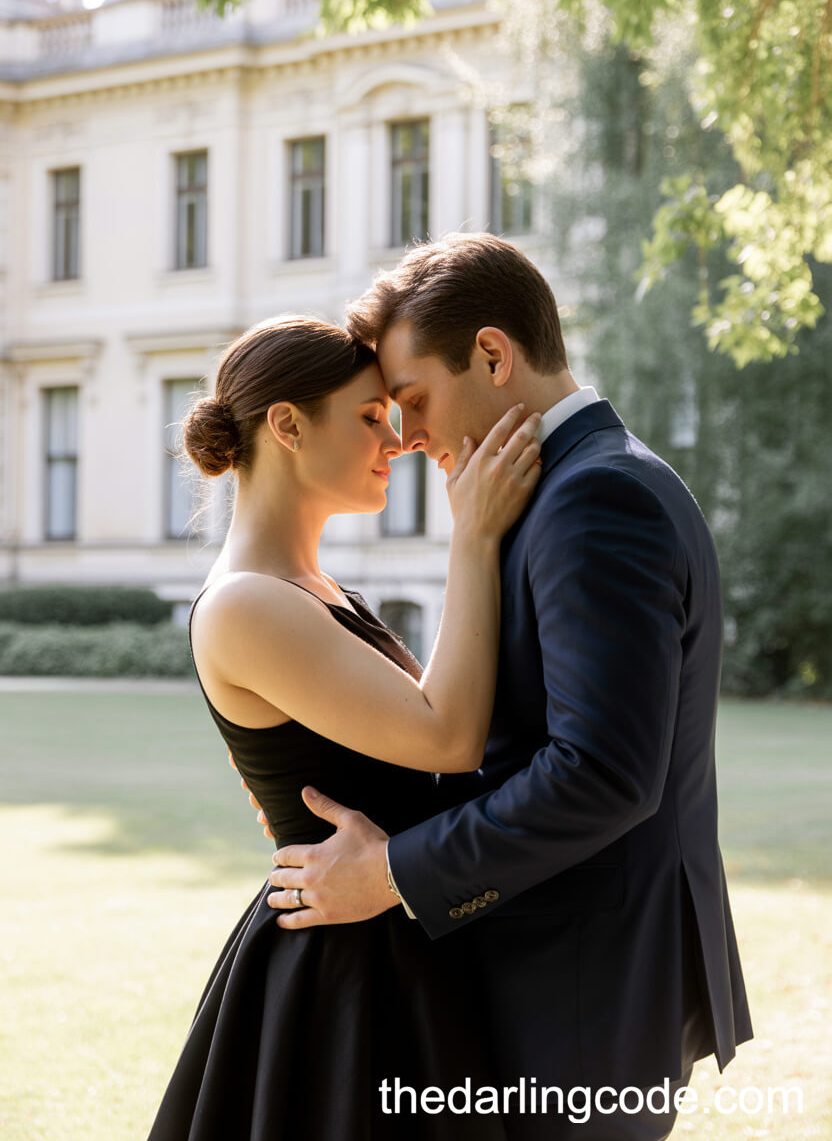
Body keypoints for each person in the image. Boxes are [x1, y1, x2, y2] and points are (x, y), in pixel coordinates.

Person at [263, 234, 754, 1140]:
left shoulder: (593, 501)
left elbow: (601, 772)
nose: (404, 439)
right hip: (578, 973)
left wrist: (390, 873)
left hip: (578, 989)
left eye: (413, 401)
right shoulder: (579, 484)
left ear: (493, 354)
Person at [146, 313, 542, 1141]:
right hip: (346, 972)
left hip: (393, 938)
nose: (395, 440)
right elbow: (447, 737)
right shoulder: (247, 601)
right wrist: (471, 536)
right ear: (287, 425)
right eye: (369, 417)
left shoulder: (314, 588)